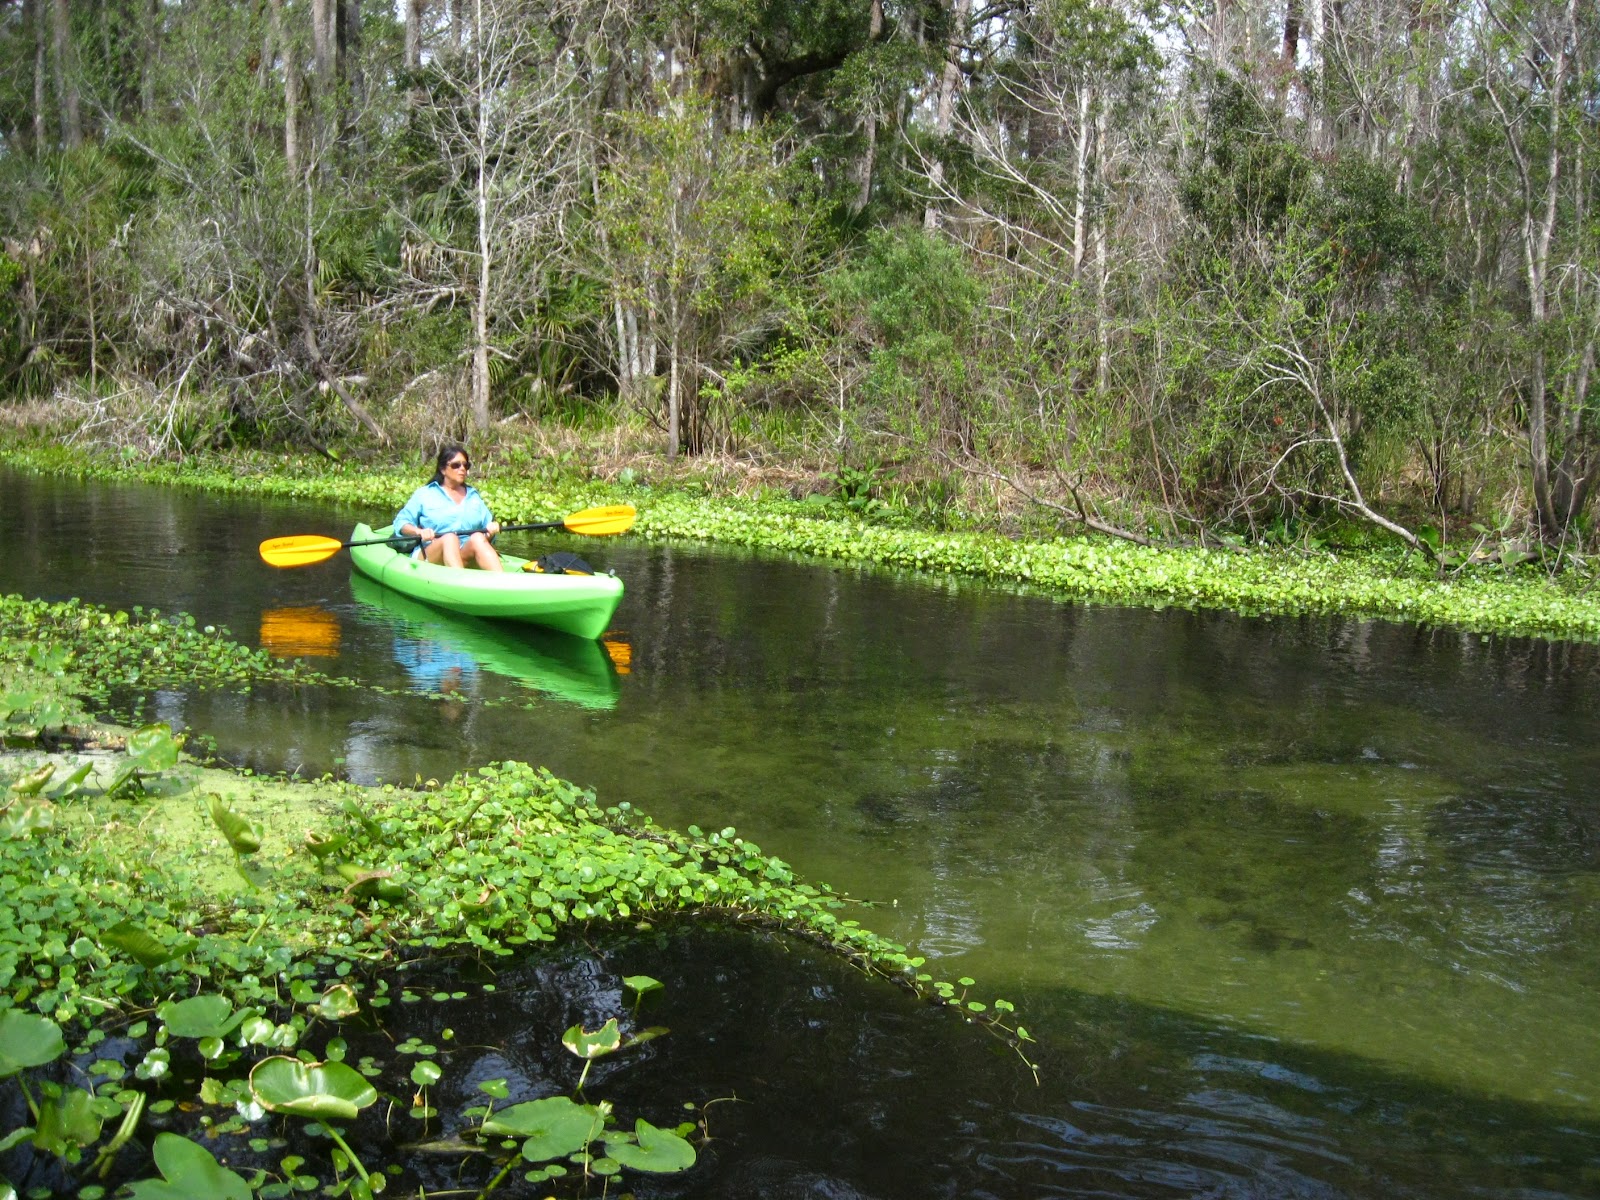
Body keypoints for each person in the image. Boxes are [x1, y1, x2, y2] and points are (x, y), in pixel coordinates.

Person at [394, 445, 504, 571]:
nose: (462, 469)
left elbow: (487, 527)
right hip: (431, 553)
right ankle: (459, 583)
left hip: (463, 554)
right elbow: (401, 523)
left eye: (465, 465)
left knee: (478, 537)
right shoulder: (425, 494)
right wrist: (419, 532)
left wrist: (491, 529)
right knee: (449, 538)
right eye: (456, 465)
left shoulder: (473, 496)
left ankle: (503, 583)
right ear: (443, 469)